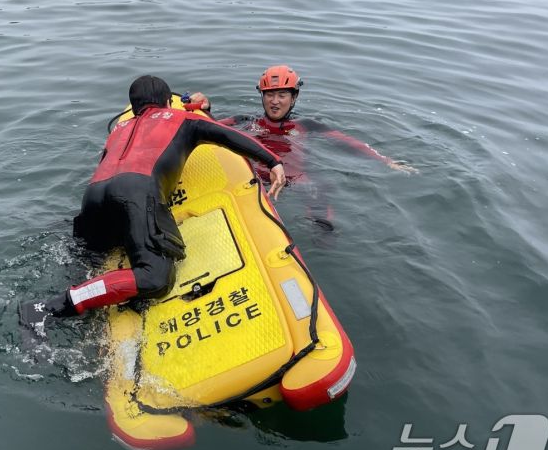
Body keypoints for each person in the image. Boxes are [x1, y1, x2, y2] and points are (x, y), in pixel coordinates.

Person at [40, 75, 285, 318]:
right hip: (136, 192)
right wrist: (273, 162)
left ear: (134, 108)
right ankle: (61, 303)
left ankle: (87, 287)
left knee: (90, 255)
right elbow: (229, 136)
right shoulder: (182, 118)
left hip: (93, 196)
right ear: (168, 102)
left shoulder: (118, 130)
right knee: (156, 278)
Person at [189, 65, 417, 225]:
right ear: (262, 96)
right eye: (269, 95)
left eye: (282, 95)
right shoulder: (245, 121)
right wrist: (206, 109)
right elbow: (210, 127)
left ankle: (323, 239)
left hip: (296, 180)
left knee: (320, 190)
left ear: (294, 97)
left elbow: (349, 143)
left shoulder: (306, 125)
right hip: (251, 179)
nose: (275, 101)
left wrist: (386, 161)